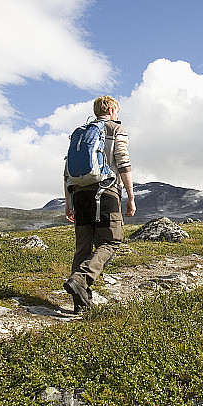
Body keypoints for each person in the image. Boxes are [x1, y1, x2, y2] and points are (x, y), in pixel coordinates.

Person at [63, 95, 136, 313]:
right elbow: (123, 163)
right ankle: (81, 279)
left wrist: (68, 203)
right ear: (112, 110)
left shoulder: (80, 134)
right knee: (112, 241)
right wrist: (130, 197)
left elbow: (67, 171)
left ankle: (81, 304)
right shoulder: (115, 130)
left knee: (83, 248)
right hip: (106, 194)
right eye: (117, 110)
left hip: (79, 196)